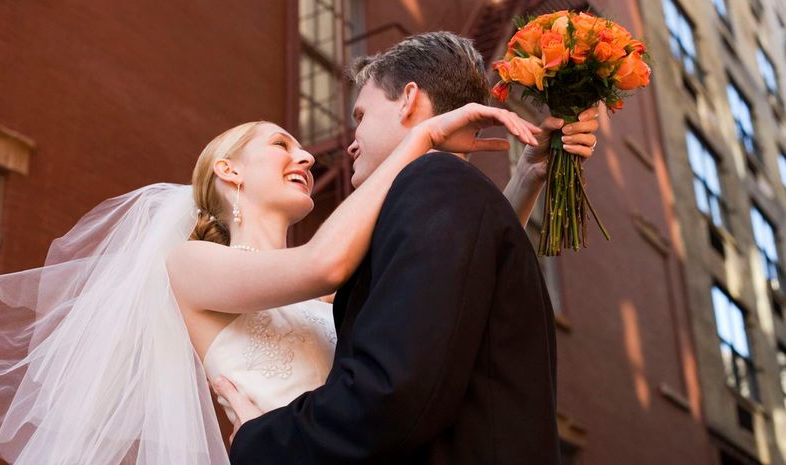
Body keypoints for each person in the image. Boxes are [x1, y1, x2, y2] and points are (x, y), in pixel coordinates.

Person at [0, 98, 541, 463]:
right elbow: (322, 261)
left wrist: (526, 181)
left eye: (301, 149)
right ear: (228, 170)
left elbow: (448, 282)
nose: (306, 157)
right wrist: (420, 142)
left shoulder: (332, 296)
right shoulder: (192, 265)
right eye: (281, 145)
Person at [219, 31, 601, 465]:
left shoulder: (432, 183)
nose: (352, 138)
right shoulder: (454, 197)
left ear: (408, 100)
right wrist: (526, 178)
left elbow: (391, 391)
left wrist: (259, 441)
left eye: (360, 114)